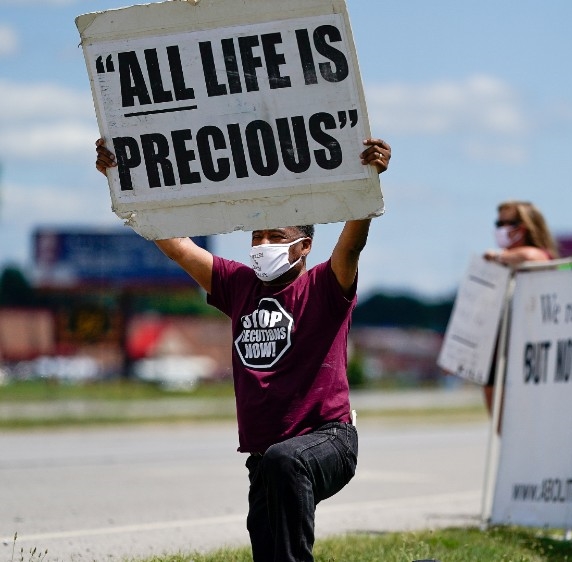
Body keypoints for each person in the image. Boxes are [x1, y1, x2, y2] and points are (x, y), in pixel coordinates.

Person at [95, 136, 392, 562]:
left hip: (328, 440)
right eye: (257, 236)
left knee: (286, 464)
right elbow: (176, 245)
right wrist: (121, 179)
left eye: (276, 236)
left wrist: (369, 181)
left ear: (305, 246)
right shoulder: (238, 285)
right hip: (265, 457)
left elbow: (352, 245)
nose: (262, 245)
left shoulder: (324, 286)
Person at [482, 200, 558, 417]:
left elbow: (535, 256)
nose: (503, 228)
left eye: (510, 223)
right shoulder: (499, 268)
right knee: (498, 419)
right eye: (499, 223)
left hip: (530, 353)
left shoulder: (539, 258)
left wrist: (499, 256)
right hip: (499, 353)